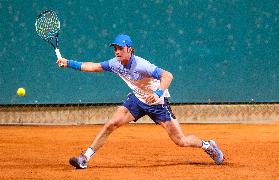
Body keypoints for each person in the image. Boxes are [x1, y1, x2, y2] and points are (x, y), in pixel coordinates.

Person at [57, 34, 224, 169]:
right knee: (111, 124)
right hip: (137, 100)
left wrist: (158, 92)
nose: (117, 51)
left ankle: (207, 145)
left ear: (130, 50)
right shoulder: (115, 63)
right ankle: (85, 158)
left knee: (181, 141)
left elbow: (168, 75)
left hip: (158, 104)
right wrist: (69, 63)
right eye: (115, 48)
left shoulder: (142, 65)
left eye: (120, 48)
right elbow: (92, 66)